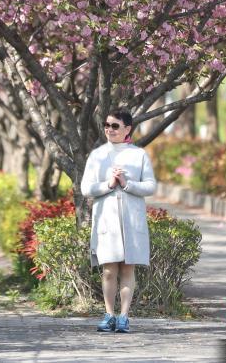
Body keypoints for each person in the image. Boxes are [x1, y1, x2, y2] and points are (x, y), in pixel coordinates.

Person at [80, 108, 156, 334]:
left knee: (128, 269)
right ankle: (108, 314)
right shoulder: (97, 155)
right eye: (107, 125)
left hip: (131, 221)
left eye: (115, 126)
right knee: (109, 270)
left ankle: (124, 316)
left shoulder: (138, 155)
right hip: (107, 221)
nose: (109, 129)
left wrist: (127, 183)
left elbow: (150, 185)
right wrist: (109, 184)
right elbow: (86, 188)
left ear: (127, 129)